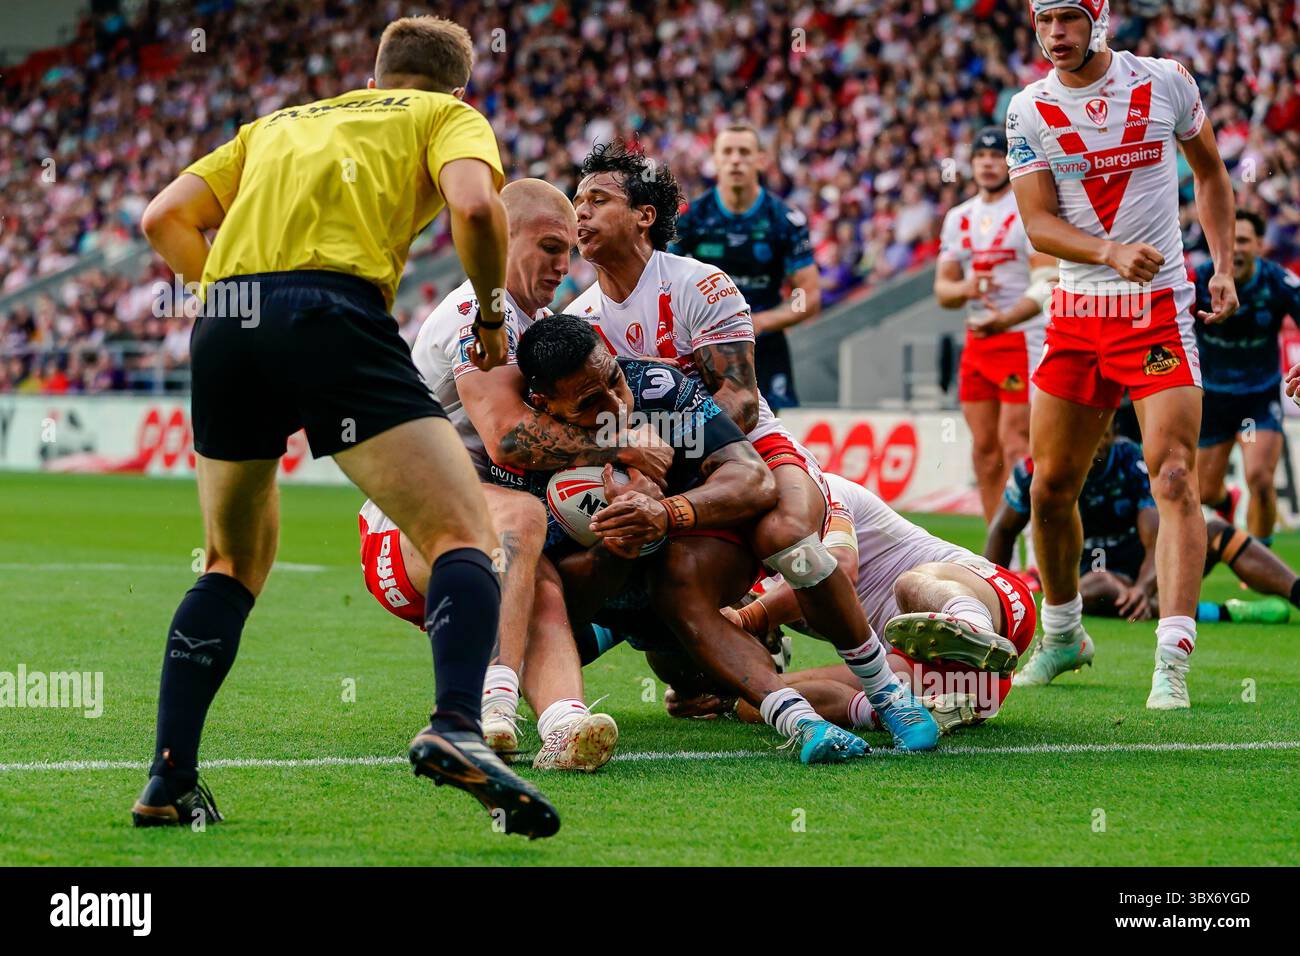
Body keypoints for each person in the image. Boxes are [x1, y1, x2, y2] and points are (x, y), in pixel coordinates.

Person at [132, 16, 559, 838]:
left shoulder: (276, 124)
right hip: (334, 312)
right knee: (466, 536)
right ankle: (456, 725)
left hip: (228, 322)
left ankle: (169, 778)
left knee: (230, 562)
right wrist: (496, 320)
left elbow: (163, 219)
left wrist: (232, 298)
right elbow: (476, 208)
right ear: (458, 89)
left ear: (372, 77)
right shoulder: (445, 118)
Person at [569, 141, 940, 752]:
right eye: (577, 201)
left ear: (644, 215)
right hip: (676, 482)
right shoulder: (581, 321)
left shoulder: (700, 285)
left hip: (755, 450)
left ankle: (887, 695)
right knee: (676, 590)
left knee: (784, 536)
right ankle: (798, 720)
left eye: (598, 199)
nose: (580, 213)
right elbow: (595, 429)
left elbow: (737, 401)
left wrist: (659, 451)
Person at [357, 180, 653, 771]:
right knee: (520, 517)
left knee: (541, 580)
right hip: (403, 533)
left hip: (486, 533)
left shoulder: (537, 319)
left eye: (569, 249)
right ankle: (485, 706)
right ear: (500, 237)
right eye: (548, 247)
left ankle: (565, 724)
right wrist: (619, 447)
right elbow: (510, 438)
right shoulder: (476, 314)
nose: (562, 265)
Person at [1005, 0, 1237, 709]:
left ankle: (1172, 657)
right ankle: (1065, 635)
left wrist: (1221, 265)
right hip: (1078, 314)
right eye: (1044, 22)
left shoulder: (1165, 80)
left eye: (1069, 19)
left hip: (1157, 310)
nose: (1055, 34)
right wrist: (1106, 251)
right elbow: (1039, 223)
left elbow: (1212, 175)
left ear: (1098, 20)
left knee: (1173, 475)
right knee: (1049, 489)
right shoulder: (1028, 109)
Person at [514, 315, 874, 764]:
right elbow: (568, 605)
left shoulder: (657, 387)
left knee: (710, 647)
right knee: (528, 644)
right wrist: (619, 545)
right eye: (590, 402)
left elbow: (753, 480)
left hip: (685, 573)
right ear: (542, 403)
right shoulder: (525, 455)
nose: (616, 404)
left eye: (613, 379)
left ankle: (862, 687)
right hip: (608, 602)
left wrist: (664, 513)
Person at [713, 472, 1036, 735]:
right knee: (759, 700)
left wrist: (748, 619)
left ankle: (973, 628)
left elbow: (838, 569)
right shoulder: (750, 574)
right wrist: (718, 684)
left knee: (909, 585)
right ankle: (906, 712)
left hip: (992, 602)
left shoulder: (820, 490)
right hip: (959, 681)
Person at [987, 423, 1296, 626]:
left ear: (1111, 434)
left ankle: (1296, 590)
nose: (1095, 447)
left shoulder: (1130, 460)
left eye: (1102, 436)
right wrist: (990, 594)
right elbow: (1002, 530)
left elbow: (1157, 536)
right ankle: (1220, 612)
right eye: (1088, 436)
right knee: (1101, 584)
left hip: (1148, 565)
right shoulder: (1034, 469)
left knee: (1214, 531)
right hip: (1086, 574)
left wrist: (1142, 586)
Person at [935, 126, 1057, 524]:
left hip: (1020, 337)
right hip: (978, 339)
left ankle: (1029, 550)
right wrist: (967, 286)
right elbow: (943, 290)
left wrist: (1005, 317)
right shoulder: (958, 218)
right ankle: (995, 552)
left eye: (995, 156)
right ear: (972, 164)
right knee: (984, 452)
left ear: (1008, 161)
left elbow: (1046, 281)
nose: (988, 164)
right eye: (980, 157)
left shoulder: (1026, 211)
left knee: (1015, 445)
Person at [670, 122, 820, 409]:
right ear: (715, 160)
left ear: (761, 160)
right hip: (706, 346)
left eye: (744, 152)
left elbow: (807, 296)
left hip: (764, 347)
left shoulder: (784, 221)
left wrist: (763, 322)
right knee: (711, 437)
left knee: (770, 439)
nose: (735, 159)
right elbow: (660, 277)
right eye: (727, 152)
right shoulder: (691, 218)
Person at [1196, 210, 1300, 543]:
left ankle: (1261, 561)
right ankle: (1228, 502)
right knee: (1204, 491)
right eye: (1227, 241)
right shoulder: (1197, 281)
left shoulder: (1278, 282)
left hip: (1258, 397)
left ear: (1259, 244)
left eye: (1242, 240)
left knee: (1260, 478)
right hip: (1212, 398)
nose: (1234, 248)